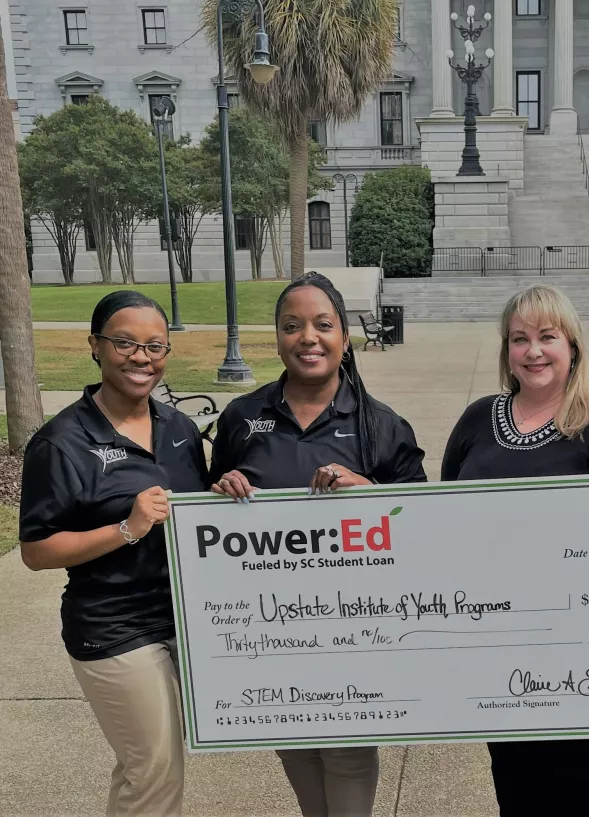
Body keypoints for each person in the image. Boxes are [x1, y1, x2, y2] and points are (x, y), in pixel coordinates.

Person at [208, 271, 426, 817]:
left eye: (323, 324)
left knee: (348, 756)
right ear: (277, 338)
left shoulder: (381, 425)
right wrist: (220, 492)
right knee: (297, 745)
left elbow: (425, 525)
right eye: (292, 326)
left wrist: (371, 492)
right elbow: (209, 523)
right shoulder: (241, 418)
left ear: (344, 338)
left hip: (354, 623)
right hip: (269, 623)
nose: (308, 337)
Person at [440, 283, 589, 817]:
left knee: (575, 788)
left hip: (580, 655)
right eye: (519, 339)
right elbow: (442, 520)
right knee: (513, 784)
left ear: (572, 346)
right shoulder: (476, 420)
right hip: (496, 645)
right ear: (506, 352)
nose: (533, 351)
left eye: (547, 336)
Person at [19, 291, 209, 817]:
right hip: (114, 625)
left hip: (183, 620)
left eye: (155, 345)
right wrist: (127, 528)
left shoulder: (180, 429)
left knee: (140, 769)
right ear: (95, 347)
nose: (141, 357)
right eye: (124, 342)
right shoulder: (62, 443)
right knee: (155, 772)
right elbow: (36, 551)